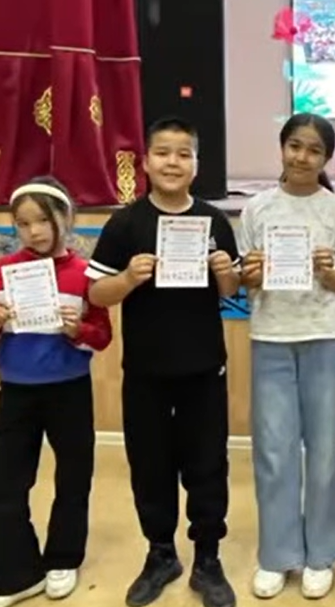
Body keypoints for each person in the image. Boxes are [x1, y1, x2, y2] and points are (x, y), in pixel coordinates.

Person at [86, 116, 241, 607]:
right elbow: (96, 292)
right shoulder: (126, 223)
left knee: (208, 464)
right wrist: (128, 278)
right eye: (163, 153)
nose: (173, 162)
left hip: (204, 368)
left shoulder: (214, 221)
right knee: (150, 465)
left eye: (183, 154)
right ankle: (160, 554)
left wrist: (225, 271)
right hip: (146, 371)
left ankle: (208, 558)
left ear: (196, 164)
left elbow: (231, 290)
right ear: (146, 162)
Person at [238, 113, 335, 600]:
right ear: (282, 148)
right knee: (274, 452)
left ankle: (321, 554)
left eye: (314, 150)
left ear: (326, 158)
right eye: (295, 146)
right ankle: (277, 556)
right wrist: (251, 273)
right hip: (271, 336)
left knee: (324, 450)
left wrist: (330, 274)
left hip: (324, 336)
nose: (302, 157)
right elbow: (242, 278)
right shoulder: (256, 209)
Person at [0, 177, 112, 607]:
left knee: (73, 477)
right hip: (16, 391)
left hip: (70, 390)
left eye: (43, 220)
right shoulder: (1, 271)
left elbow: (102, 335)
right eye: (23, 223)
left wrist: (78, 329)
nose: (34, 231)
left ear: (66, 218)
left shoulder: (84, 274)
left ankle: (63, 559)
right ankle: (16, 576)